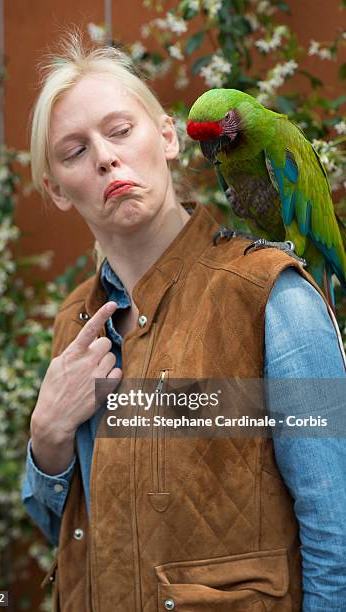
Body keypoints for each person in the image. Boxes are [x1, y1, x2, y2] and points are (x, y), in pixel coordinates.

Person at [21, 32, 346, 612]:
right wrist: (46, 436)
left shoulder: (274, 299)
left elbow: (336, 535)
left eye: (120, 130)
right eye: (74, 152)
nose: (104, 157)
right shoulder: (79, 324)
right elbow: (72, 538)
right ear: (56, 189)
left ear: (167, 136)